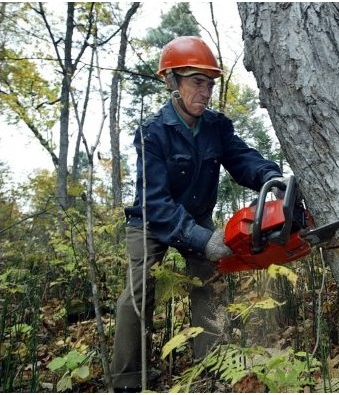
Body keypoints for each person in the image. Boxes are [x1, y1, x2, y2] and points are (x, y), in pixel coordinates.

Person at [110, 36, 284, 392]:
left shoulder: (216, 126)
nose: (204, 92)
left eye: (209, 84)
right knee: (138, 292)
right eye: (196, 82)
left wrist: (269, 176)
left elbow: (241, 158)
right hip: (151, 221)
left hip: (197, 217)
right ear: (172, 82)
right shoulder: (152, 132)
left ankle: (213, 365)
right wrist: (203, 239)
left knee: (208, 281)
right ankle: (128, 379)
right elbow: (155, 202)